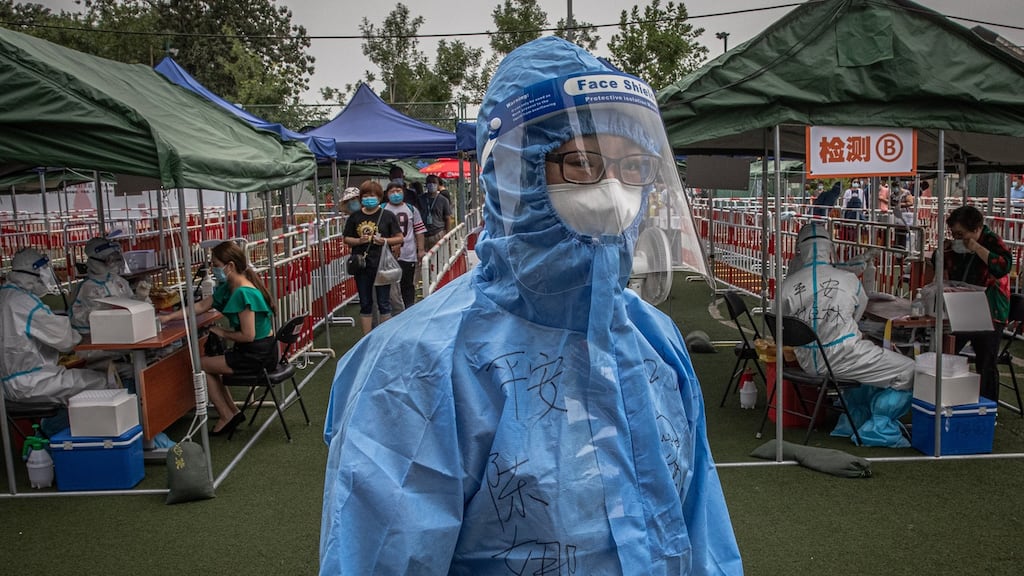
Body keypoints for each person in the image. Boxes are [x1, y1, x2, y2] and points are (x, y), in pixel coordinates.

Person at [321, 37, 742, 574]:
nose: (615, 193)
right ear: (512, 173)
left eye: (633, 166)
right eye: (581, 162)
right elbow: (379, 558)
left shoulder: (651, 337)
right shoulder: (417, 367)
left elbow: (701, 529)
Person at [779, 222, 915, 447]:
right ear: (830, 248)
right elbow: (858, 315)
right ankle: (878, 428)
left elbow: (779, 324)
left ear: (799, 251)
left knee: (870, 367)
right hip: (844, 354)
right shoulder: (849, 279)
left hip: (806, 361)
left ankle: (853, 417)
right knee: (908, 370)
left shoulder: (787, 285)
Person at [157, 241, 278, 436]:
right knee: (207, 364)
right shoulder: (231, 285)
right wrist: (168, 317)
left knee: (201, 365)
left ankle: (226, 413)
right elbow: (200, 306)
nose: (212, 269)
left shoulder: (243, 292)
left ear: (230, 266)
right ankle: (230, 411)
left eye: (215, 264)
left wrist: (223, 333)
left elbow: (248, 335)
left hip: (257, 354)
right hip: (256, 351)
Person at [1, 249, 109, 413]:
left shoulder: (6, 295)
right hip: (29, 382)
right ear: (35, 273)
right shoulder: (24, 302)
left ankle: (55, 429)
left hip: (10, 383)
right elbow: (65, 340)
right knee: (100, 381)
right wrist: (79, 334)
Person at [929, 205, 1013, 403]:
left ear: (976, 229)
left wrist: (976, 248)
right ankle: (946, 398)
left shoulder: (992, 241)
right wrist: (942, 251)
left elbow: (1003, 267)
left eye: (961, 234)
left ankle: (988, 406)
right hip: (961, 307)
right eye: (954, 234)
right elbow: (938, 263)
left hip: (990, 311)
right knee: (947, 351)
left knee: (986, 362)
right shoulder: (957, 246)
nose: (958, 238)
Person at [343, 180, 403, 335]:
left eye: (373, 195)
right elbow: (346, 238)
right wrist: (358, 241)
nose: (369, 198)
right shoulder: (355, 217)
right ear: (361, 198)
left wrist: (384, 241)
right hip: (362, 265)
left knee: (384, 302)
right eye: (366, 196)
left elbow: (399, 238)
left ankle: (384, 336)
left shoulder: (387, 216)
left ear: (379, 197)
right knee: (365, 303)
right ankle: (366, 337)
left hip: (382, 265)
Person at [69, 236, 135, 335]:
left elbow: (133, 306)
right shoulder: (85, 288)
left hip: (123, 334)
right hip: (95, 342)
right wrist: (97, 313)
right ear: (94, 262)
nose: (114, 265)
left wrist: (141, 297)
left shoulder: (119, 281)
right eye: (110, 261)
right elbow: (74, 319)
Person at [383, 180, 425, 310]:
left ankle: (409, 310)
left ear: (403, 192)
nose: (395, 194)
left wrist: (421, 250)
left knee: (407, 284)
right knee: (389, 286)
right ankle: (392, 313)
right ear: (387, 194)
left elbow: (419, 231)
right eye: (392, 191)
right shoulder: (382, 209)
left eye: (398, 191)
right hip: (387, 255)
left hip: (408, 253)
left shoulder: (412, 209)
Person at [421, 174, 452, 251]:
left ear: (438, 184)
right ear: (426, 184)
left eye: (434, 182)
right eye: (429, 182)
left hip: (438, 233)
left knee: (440, 258)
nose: (431, 184)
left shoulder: (443, 200)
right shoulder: (420, 199)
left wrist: (448, 235)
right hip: (423, 234)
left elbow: (447, 218)